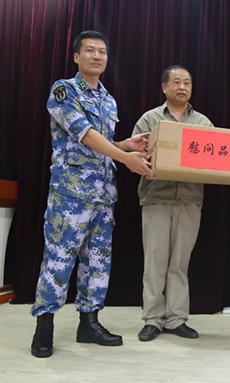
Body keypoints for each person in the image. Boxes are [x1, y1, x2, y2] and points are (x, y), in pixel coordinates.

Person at [30, 31, 154, 358]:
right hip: (70, 194)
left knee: (97, 261)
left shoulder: (108, 99)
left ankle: (89, 323)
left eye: (102, 52)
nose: (97, 56)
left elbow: (102, 144)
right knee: (59, 259)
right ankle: (44, 327)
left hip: (103, 194)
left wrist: (125, 144)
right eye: (90, 50)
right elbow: (83, 134)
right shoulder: (64, 90)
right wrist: (125, 157)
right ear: (76, 56)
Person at [133, 65, 213, 342]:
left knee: (180, 263)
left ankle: (176, 319)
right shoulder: (150, 119)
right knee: (155, 262)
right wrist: (146, 165)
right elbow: (135, 156)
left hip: (190, 199)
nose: (182, 87)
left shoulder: (202, 122)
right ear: (164, 87)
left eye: (187, 83)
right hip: (156, 196)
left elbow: (217, 160)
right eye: (176, 82)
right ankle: (152, 319)